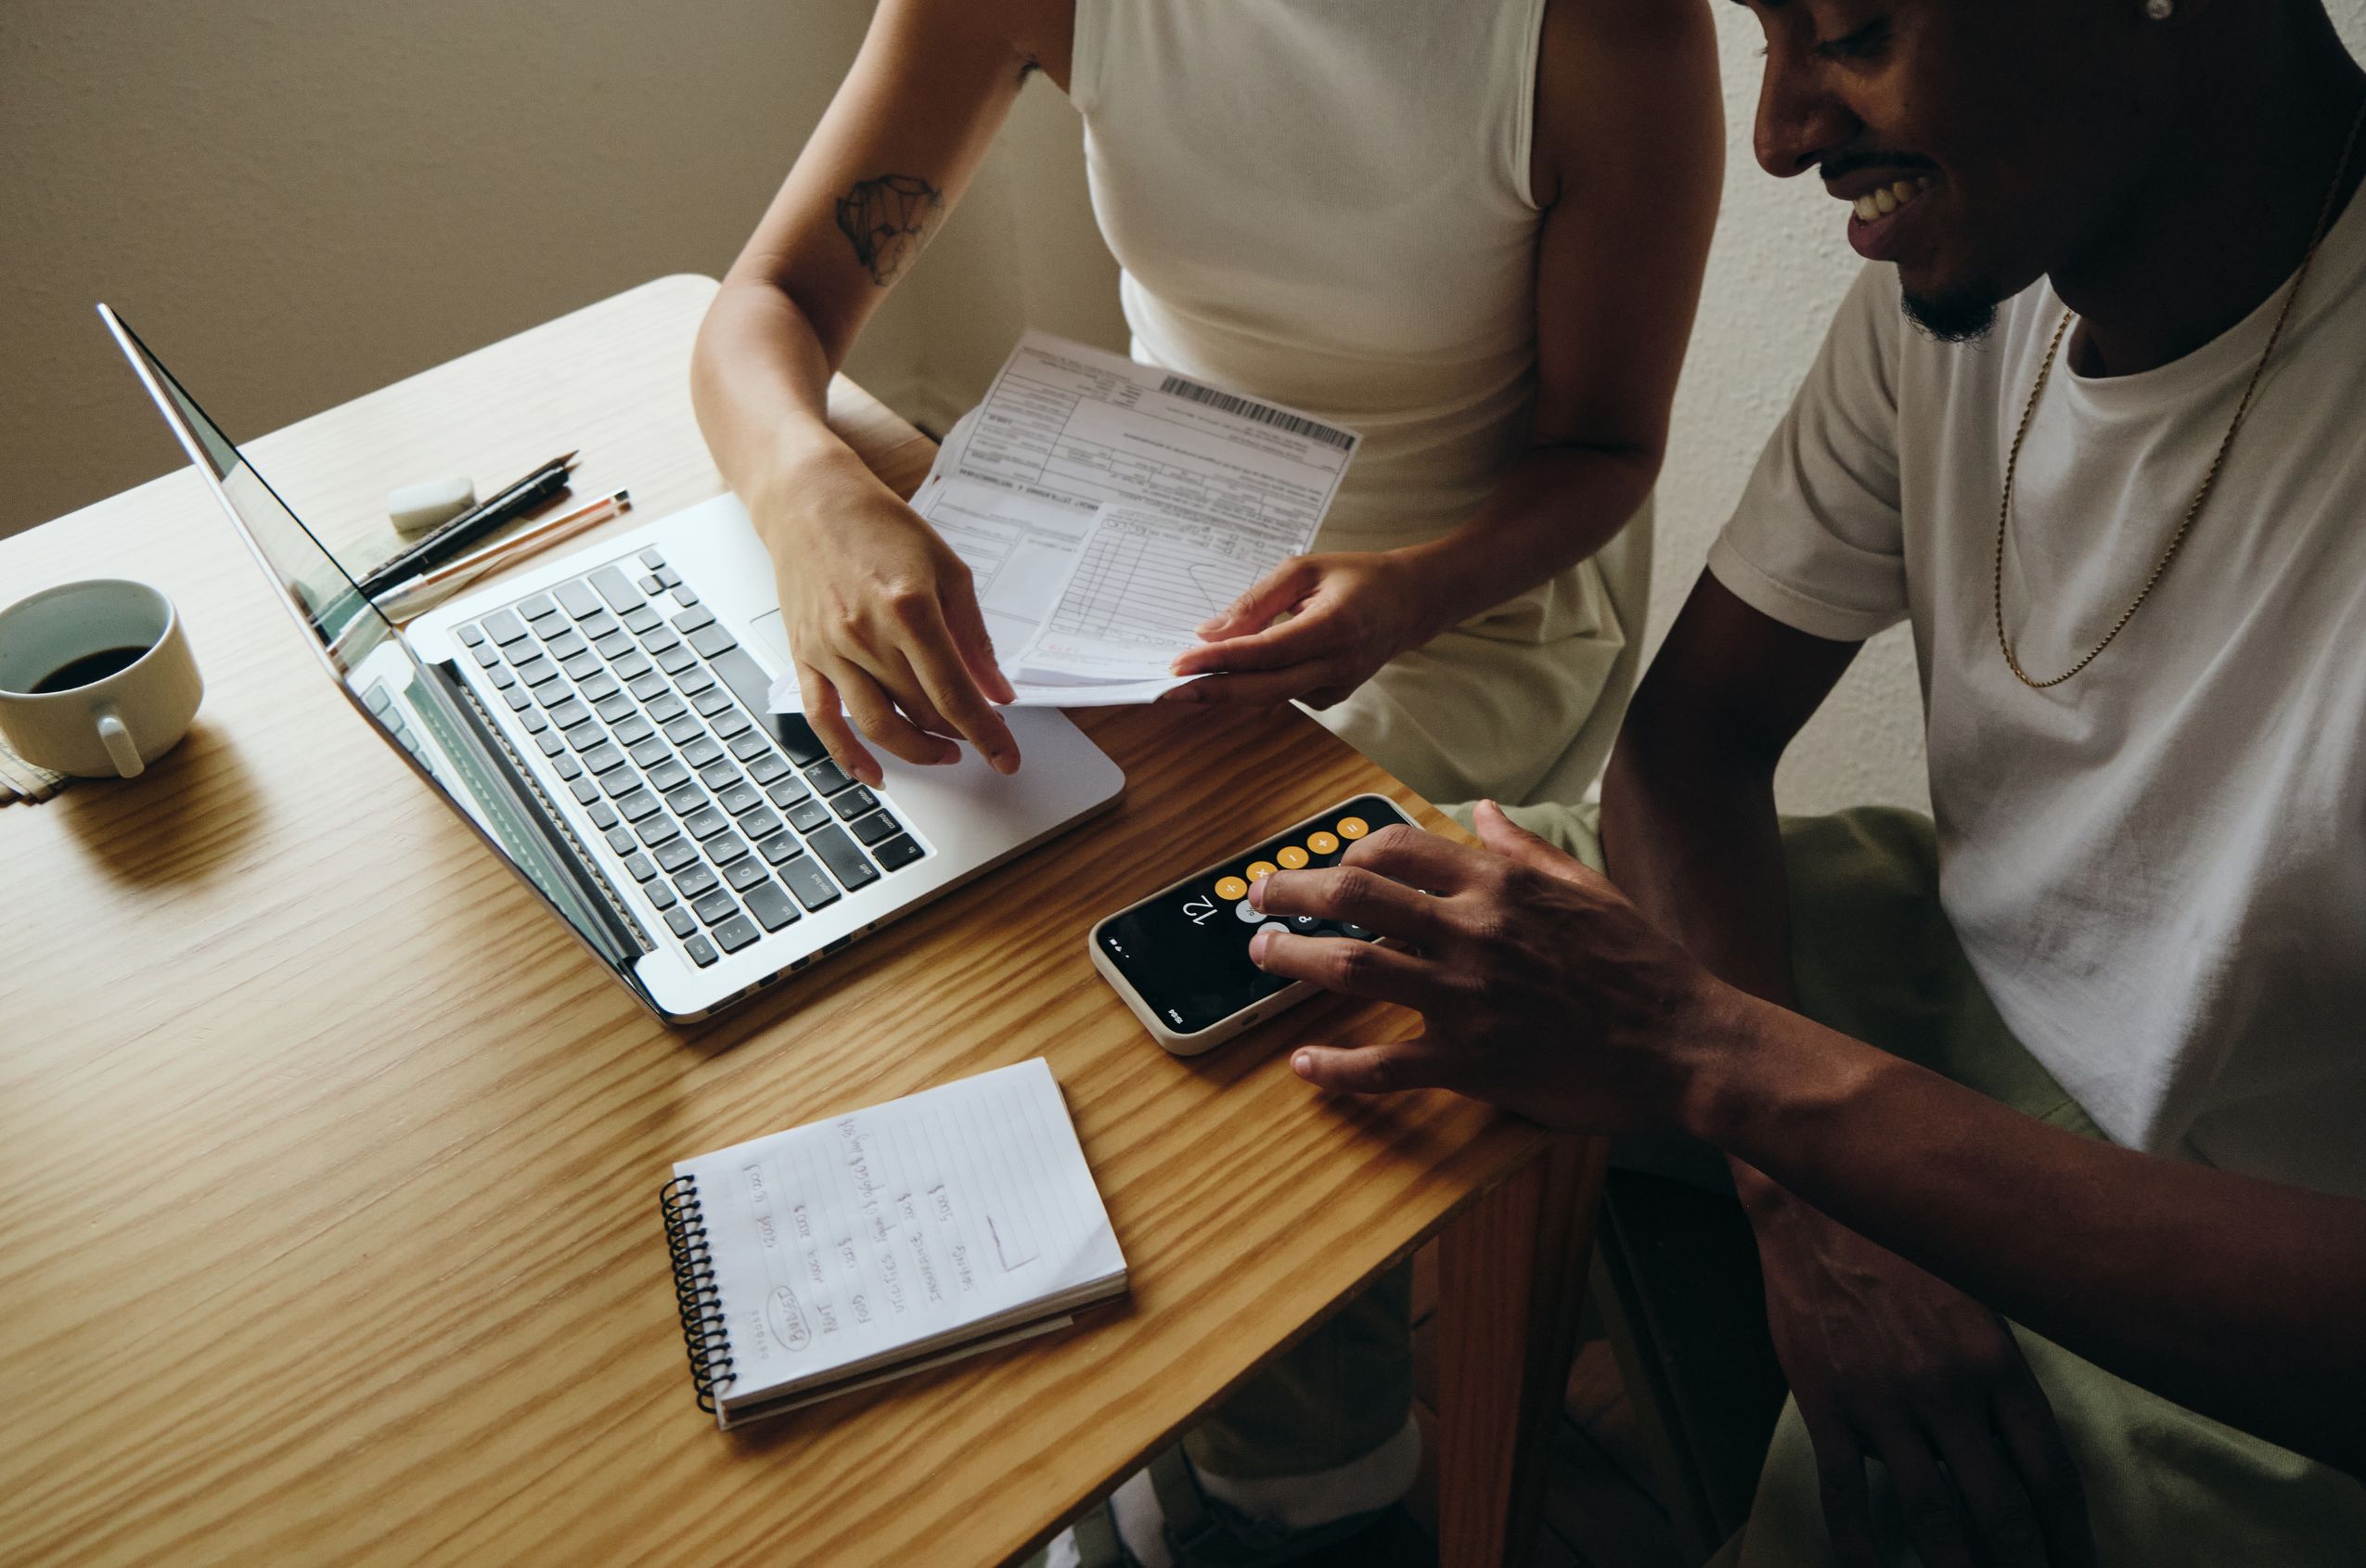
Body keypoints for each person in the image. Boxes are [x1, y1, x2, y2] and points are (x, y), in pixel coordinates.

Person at [1241, 0, 2366, 1562]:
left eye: (1850, 25)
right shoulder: (1965, 296)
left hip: (2251, 1235)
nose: (1776, 138)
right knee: (1325, 931)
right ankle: (1299, 1512)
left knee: (1915, 1502)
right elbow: (1690, 745)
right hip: (1955, 966)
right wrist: (1806, 1190)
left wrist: (1729, 1062)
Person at [688, 1, 1721, 1562]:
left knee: (1243, 954)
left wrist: (1400, 590)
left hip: (1461, 600)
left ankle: (1306, 1492)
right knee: (933, 854)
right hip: (1154, 544)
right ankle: (1068, 1378)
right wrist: (809, 495)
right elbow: (761, 304)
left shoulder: (1600, 29)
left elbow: (1603, 448)